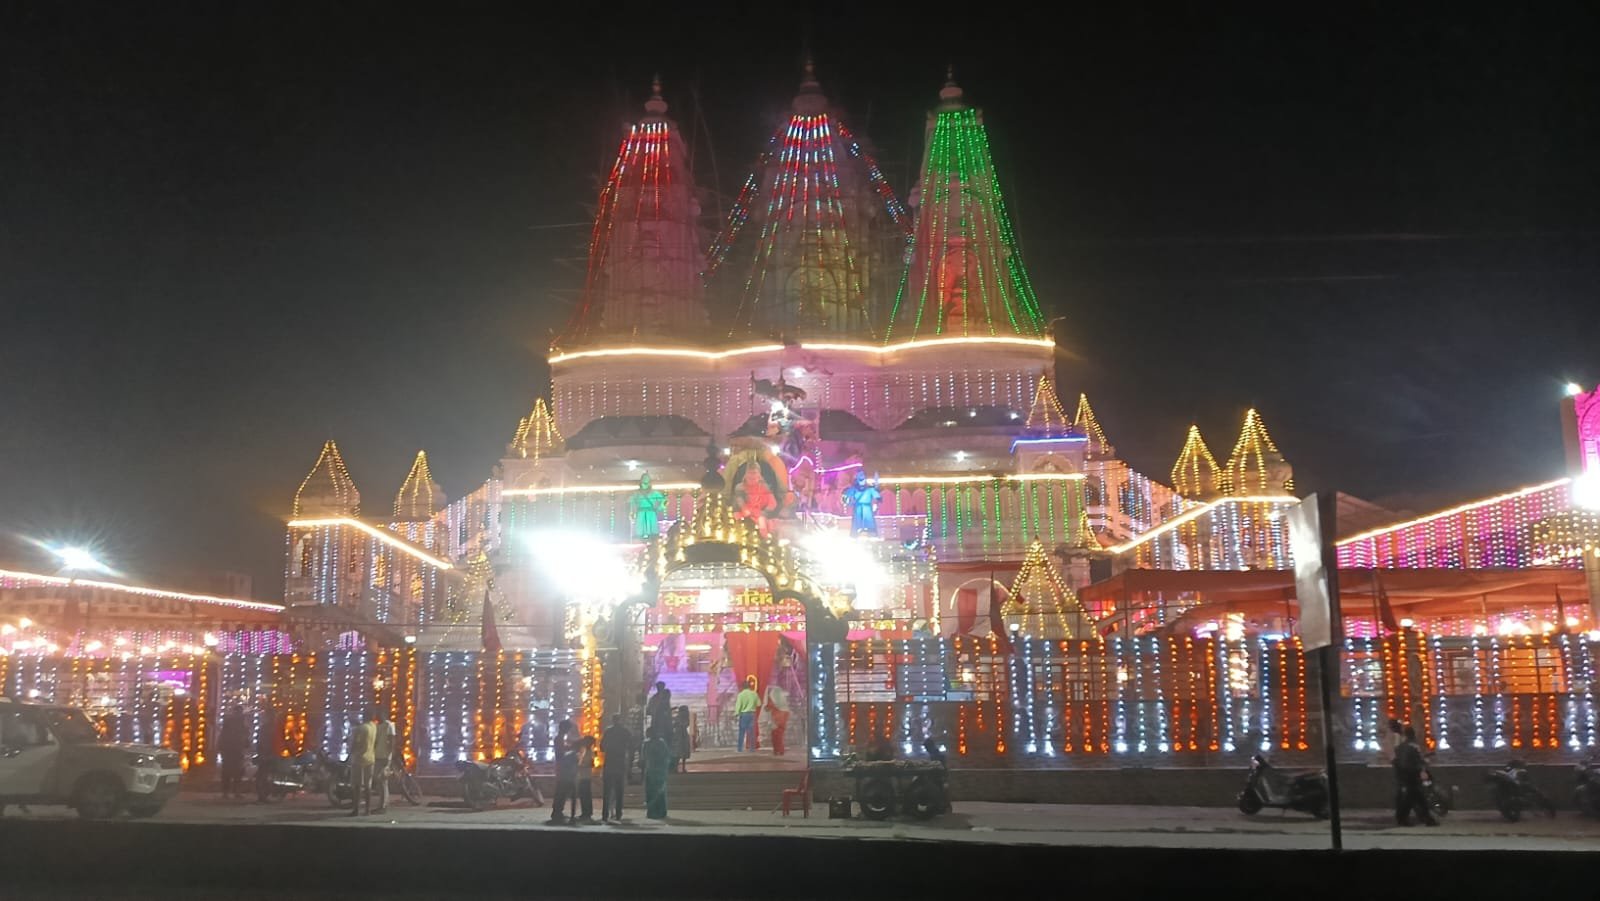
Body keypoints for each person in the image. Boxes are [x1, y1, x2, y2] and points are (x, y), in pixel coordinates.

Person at [1393, 725, 1438, 826]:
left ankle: (1425, 819)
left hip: (1402, 775)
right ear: (1413, 735)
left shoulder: (1400, 747)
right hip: (1412, 775)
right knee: (1415, 798)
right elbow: (1418, 760)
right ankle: (1426, 819)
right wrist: (1422, 770)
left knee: (1414, 798)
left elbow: (1396, 760)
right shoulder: (1414, 746)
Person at [599, 714, 632, 822]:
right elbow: (631, 746)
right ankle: (618, 814)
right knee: (619, 791)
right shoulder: (625, 732)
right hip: (620, 763)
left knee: (607, 791)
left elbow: (602, 747)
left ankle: (605, 815)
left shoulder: (608, 731)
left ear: (612, 720)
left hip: (609, 763)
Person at [347, 708, 377, 817]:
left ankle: (356, 810)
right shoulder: (373, 727)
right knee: (368, 786)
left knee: (357, 786)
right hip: (371, 758)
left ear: (364, 716)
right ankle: (367, 810)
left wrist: (350, 752)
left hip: (359, 759)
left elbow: (355, 743)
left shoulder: (361, 728)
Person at [218, 704, 250, 800]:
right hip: (235, 750)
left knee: (228, 772)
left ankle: (227, 792)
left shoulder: (229, 721)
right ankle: (235, 792)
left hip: (230, 750)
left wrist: (221, 748)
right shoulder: (241, 723)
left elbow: (222, 735)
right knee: (237, 772)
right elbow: (246, 737)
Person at [550, 720, 577, 825]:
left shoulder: (560, 738)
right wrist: (572, 751)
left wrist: (570, 748)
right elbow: (561, 754)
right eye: (568, 729)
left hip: (563, 768)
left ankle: (558, 811)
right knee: (561, 791)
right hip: (562, 769)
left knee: (562, 791)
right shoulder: (559, 739)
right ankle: (557, 812)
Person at [371, 708, 396, 813]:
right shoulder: (377, 726)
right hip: (377, 755)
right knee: (381, 781)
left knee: (381, 780)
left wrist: (389, 755)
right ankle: (383, 804)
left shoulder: (389, 725)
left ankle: (383, 805)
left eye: (379, 714)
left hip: (384, 757)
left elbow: (392, 740)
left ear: (384, 714)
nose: (378, 716)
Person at [643, 731, 671, 820]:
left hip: (651, 770)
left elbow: (643, 757)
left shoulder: (647, 744)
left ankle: (652, 812)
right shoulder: (661, 743)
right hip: (659, 771)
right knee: (659, 792)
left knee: (651, 792)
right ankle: (661, 811)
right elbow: (667, 756)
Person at [572, 736, 596, 823]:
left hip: (586, 776)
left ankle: (587, 813)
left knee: (586, 795)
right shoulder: (584, 751)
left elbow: (591, 764)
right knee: (583, 796)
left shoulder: (589, 752)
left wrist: (581, 766)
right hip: (583, 776)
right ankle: (585, 812)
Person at [734, 676, 761, 752]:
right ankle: (752, 748)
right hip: (752, 714)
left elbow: (738, 705)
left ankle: (740, 749)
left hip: (744, 714)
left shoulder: (741, 695)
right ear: (749, 686)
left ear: (743, 687)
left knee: (742, 732)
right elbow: (759, 704)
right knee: (751, 732)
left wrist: (736, 714)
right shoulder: (754, 694)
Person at [764, 682, 790, 756]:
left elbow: (768, 707)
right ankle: (781, 750)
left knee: (775, 735)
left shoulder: (772, 697)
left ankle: (777, 750)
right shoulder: (782, 699)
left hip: (776, 717)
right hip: (784, 716)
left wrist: (766, 707)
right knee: (780, 734)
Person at [671, 706, 692, 774]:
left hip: (681, 735)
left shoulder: (681, 718)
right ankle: (678, 767)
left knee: (681, 752)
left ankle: (680, 767)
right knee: (679, 752)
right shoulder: (680, 717)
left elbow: (685, 724)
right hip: (680, 735)